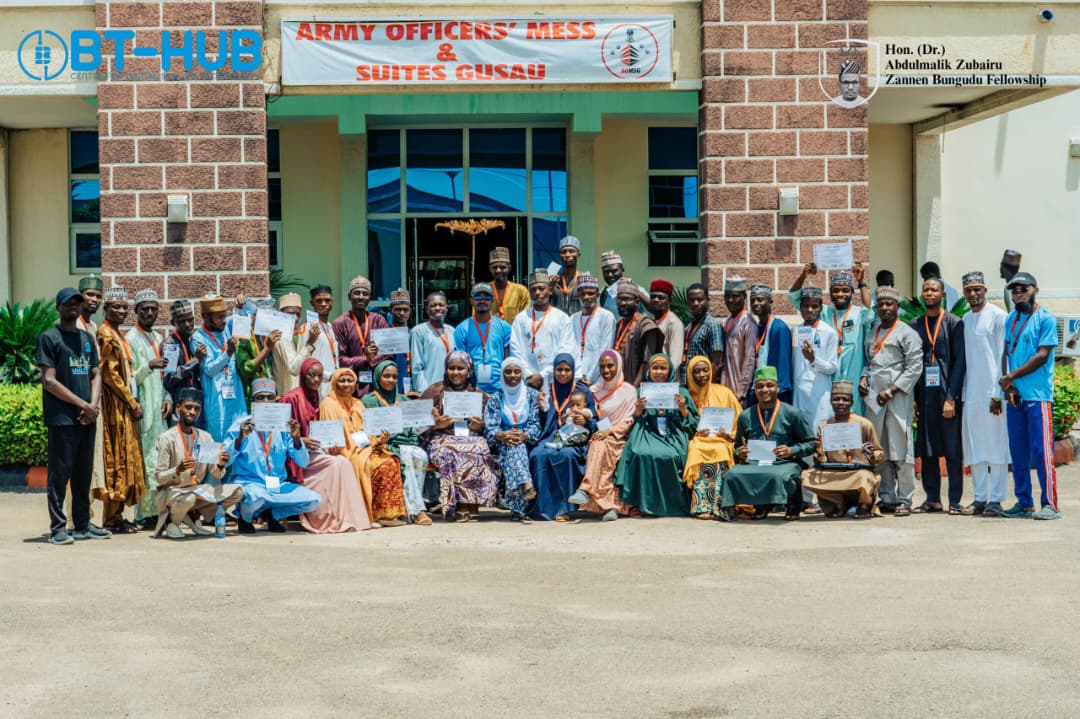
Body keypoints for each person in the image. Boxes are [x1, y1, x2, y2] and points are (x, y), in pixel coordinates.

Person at [37, 287, 110, 545]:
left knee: (83, 475)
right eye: (69, 303)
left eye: (77, 303)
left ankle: (81, 525)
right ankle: (58, 527)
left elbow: (96, 374)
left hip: (86, 418)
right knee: (60, 476)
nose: (74, 307)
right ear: (59, 307)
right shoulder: (49, 338)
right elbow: (49, 381)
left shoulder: (87, 339)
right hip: (62, 419)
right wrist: (84, 405)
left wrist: (93, 406)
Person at [281, 359, 372, 533]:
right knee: (336, 464)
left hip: (316, 450)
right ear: (303, 375)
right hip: (296, 452)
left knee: (343, 462)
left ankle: (347, 518)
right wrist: (300, 439)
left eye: (319, 376)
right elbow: (280, 431)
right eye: (311, 375)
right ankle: (327, 518)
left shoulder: (316, 397)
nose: (315, 380)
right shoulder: (291, 398)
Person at [225, 378, 322, 533]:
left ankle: (273, 514)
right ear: (253, 401)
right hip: (250, 483)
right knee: (256, 498)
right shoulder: (240, 425)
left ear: (276, 400)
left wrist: (296, 438)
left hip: (276, 484)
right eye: (260, 397)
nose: (265, 401)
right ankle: (245, 519)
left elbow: (303, 462)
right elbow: (225, 461)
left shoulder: (284, 427)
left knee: (314, 500)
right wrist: (240, 439)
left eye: (269, 397)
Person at [999, 272, 1060, 520]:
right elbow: (1006, 352)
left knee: (1042, 450)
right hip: (1016, 396)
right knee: (1018, 451)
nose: (1018, 294)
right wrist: (1009, 386)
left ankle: (1051, 504)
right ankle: (1024, 502)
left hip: (1038, 396)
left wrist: (1011, 376)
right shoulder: (1011, 319)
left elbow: (1042, 355)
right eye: (1014, 290)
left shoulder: (1045, 318)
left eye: (1023, 289)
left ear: (1035, 289)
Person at [721, 367, 816, 521]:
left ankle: (793, 503)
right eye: (760, 386)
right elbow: (737, 446)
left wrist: (791, 450)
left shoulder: (792, 413)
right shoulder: (745, 416)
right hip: (756, 462)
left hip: (785, 462)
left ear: (777, 388)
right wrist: (741, 452)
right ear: (755, 389)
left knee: (779, 475)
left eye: (769, 385)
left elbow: (811, 443)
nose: (765, 390)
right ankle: (741, 507)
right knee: (733, 474)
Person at [859, 287, 922, 517]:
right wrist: (864, 378)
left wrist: (893, 389)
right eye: (881, 305)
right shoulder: (873, 331)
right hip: (875, 399)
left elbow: (915, 367)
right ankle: (888, 497)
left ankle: (905, 498)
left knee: (901, 447)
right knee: (880, 448)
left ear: (897, 307)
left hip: (897, 397)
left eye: (889, 304)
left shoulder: (906, 333)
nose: (885, 308)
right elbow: (869, 361)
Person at [420, 351, 500, 521]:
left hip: (471, 437)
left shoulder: (478, 394)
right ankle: (459, 505)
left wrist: (480, 426)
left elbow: (491, 424)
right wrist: (436, 424)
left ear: (469, 371)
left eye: (460, 368)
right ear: (446, 370)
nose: (456, 372)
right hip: (442, 439)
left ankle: (474, 503)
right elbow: (417, 425)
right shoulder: (435, 391)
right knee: (451, 451)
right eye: (451, 368)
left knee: (480, 448)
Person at [910, 276, 967, 515]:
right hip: (925, 396)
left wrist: (951, 397)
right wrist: (914, 398)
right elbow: (912, 362)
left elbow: (959, 363)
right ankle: (932, 498)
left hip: (947, 397)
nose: (929, 294)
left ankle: (955, 500)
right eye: (925, 290)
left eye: (934, 290)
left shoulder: (954, 323)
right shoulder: (915, 324)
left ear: (942, 295)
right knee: (928, 448)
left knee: (952, 450)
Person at [153, 388, 243, 539]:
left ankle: (194, 516)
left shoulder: (205, 437)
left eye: (196, 409)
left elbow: (215, 473)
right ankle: (171, 522)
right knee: (189, 498)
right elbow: (159, 477)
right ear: (178, 408)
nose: (192, 412)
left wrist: (220, 464)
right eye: (188, 407)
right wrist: (178, 469)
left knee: (238, 491)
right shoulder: (167, 438)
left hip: (197, 489)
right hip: (172, 492)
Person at [614, 354, 697, 517]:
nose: (659, 372)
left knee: (672, 455)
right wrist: (638, 411)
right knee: (639, 453)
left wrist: (683, 410)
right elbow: (630, 418)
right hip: (647, 431)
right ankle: (640, 504)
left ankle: (672, 504)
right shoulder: (640, 392)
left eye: (663, 368)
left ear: (670, 371)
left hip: (673, 433)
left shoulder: (681, 393)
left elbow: (695, 422)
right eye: (655, 368)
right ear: (649, 370)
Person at [318, 367, 403, 527]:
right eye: (341, 380)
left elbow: (368, 432)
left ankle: (385, 514)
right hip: (345, 450)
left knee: (390, 460)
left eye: (350, 381)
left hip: (366, 447)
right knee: (378, 466)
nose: (346, 384)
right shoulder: (328, 404)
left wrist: (379, 439)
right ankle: (371, 514)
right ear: (334, 383)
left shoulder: (358, 403)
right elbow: (332, 436)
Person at [94, 287, 146, 534]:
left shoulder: (118, 334)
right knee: (117, 456)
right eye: (116, 307)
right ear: (106, 309)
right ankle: (111, 518)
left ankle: (118, 516)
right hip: (116, 405)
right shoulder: (105, 334)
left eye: (125, 307)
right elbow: (110, 375)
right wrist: (131, 401)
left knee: (126, 456)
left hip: (124, 404)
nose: (122, 311)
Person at [788, 263, 874, 413]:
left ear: (852, 293)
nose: (840, 294)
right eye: (836, 291)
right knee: (829, 415)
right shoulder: (824, 312)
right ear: (830, 294)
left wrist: (862, 282)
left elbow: (870, 312)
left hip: (852, 374)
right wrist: (804, 275)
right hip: (827, 378)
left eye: (845, 290)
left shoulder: (858, 313)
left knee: (853, 414)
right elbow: (794, 297)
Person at [960, 271, 1010, 517]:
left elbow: (1003, 355)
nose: (973, 294)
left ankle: (997, 499)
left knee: (996, 447)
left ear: (985, 289)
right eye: (969, 290)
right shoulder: (966, 319)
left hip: (994, 395)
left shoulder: (999, 316)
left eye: (977, 289)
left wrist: (998, 394)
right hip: (972, 394)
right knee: (976, 447)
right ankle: (980, 498)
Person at [568, 350, 638, 521]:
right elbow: (590, 414)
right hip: (598, 435)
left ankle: (586, 489)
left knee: (603, 447)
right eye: (602, 367)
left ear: (618, 365)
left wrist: (611, 431)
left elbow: (629, 420)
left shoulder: (629, 391)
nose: (606, 370)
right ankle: (609, 508)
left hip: (621, 438)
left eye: (610, 366)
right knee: (600, 445)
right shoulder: (593, 391)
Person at [361, 360, 433, 525]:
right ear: (378, 377)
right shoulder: (368, 401)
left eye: (394, 377)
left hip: (405, 443)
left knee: (420, 455)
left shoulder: (404, 401)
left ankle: (408, 507)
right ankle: (417, 510)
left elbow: (413, 431)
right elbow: (363, 428)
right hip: (380, 446)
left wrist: (423, 424)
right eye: (386, 376)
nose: (391, 380)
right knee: (406, 457)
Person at [528, 354, 597, 521]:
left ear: (573, 371)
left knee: (566, 455)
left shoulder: (583, 391)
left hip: (575, 436)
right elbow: (540, 420)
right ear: (554, 370)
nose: (563, 374)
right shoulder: (548, 390)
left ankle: (564, 509)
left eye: (567, 370)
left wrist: (585, 421)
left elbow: (595, 419)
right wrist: (542, 407)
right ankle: (542, 508)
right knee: (538, 454)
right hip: (551, 435)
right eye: (559, 369)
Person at [801, 381, 883, 519]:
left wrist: (871, 454)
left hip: (857, 472)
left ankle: (864, 505)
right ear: (831, 402)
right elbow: (821, 459)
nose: (840, 403)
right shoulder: (825, 426)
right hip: (834, 472)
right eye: (836, 399)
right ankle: (839, 503)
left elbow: (879, 452)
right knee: (806, 477)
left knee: (865, 478)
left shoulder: (864, 424)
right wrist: (820, 453)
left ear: (851, 402)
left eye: (845, 399)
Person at [125, 288, 171, 528]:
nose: (149, 313)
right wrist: (148, 366)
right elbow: (128, 377)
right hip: (142, 409)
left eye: (153, 309)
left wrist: (168, 398)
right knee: (144, 462)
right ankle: (143, 514)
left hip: (158, 409)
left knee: (159, 460)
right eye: (145, 309)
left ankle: (157, 511)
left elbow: (164, 376)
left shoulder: (158, 338)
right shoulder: (131, 339)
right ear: (136, 312)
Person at [683, 355, 743, 520]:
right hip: (698, 440)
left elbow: (740, 421)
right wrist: (695, 432)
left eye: (705, 370)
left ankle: (719, 505)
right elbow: (683, 423)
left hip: (722, 440)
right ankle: (701, 505)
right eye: (697, 372)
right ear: (690, 374)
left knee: (720, 450)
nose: (702, 375)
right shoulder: (687, 396)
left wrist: (729, 435)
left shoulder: (723, 392)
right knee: (696, 448)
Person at [483, 358, 542, 521]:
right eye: (508, 372)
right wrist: (501, 435)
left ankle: (518, 506)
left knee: (518, 447)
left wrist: (525, 435)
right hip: (502, 443)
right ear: (502, 374)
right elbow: (490, 426)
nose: (512, 375)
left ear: (522, 374)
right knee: (515, 448)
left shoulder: (532, 396)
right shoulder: (496, 398)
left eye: (517, 371)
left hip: (528, 441)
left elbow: (535, 424)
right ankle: (525, 487)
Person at [191, 294, 246, 442]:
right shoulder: (198, 338)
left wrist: (240, 306)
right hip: (216, 401)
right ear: (206, 317)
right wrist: (228, 353)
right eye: (219, 317)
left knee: (240, 443)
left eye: (224, 316)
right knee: (216, 448)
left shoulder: (226, 327)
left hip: (235, 399)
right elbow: (209, 369)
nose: (223, 320)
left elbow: (245, 319)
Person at [511, 269, 574, 389]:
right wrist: (529, 375)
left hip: (553, 380)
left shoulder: (562, 318)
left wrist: (542, 375)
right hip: (527, 382)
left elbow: (565, 349)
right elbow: (515, 350)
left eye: (541, 288)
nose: (538, 293)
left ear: (550, 290)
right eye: (533, 289)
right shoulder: (521, 318)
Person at [791, 285, 840, 437]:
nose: (810, 310)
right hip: (799, 392)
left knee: (819, 434)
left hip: (819, 392)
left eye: (814, 306)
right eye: (806, 306)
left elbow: (832, 367)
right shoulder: (796, 330)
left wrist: (814, 360)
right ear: (800, 307)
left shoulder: (829, 332)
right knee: (801, 433)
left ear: (820, 308)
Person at [332, 274, 390, 397]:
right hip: (349, 384)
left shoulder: (378, 320)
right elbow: (341, 359)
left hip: (377, 383)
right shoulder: (339, 323)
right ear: (349, 296)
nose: (361, 297)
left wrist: (371, 359)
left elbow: (388, 352)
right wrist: (365, 359)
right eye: (357, 293)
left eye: (365, 294)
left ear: (370, 298)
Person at [454, 283, 512, 394]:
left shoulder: (504, 327)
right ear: (471, 301)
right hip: (472, 388)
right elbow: (460, 362)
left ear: (492, 300)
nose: (482, 301)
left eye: (486, 297)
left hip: (500, 387)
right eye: (477, 297)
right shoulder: (462, 329)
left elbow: (508, 359)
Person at [613, 277, 663, 387]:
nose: (623, 303)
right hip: (619, 387)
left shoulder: (646, 325)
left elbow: (647, 362)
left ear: (636, 301)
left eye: (627, 299)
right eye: (620, 299)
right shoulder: (618, 324)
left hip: (637, 389)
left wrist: (634, 389)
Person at [748, 283, 792, 404]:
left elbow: (782, 368)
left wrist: (779, 394)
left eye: (760, 299)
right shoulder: (757, 326)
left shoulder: (779, 328)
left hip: (775, 395)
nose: (756, 303)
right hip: (760, 391)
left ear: (770, 301)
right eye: (753, 300)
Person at [161, 299, 203, 422]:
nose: (187, 324)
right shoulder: (171, 344)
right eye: (182, 321)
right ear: (173, 322)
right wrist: (195, 360)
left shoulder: (194, 340)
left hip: (196, 402)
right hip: (179, 406)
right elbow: (169, 379)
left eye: (190, 320)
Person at [570, 272, 615, 385]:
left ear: (597, 294)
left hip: (597, 379)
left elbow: (605, 349)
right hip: (576, 378)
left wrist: (590, 377)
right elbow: (570, 349)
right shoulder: (573, 319)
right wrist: (577, 376)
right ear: (578, 295)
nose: (587, 297)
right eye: (583, 294)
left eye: (590, 293)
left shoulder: (606, 317)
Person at [719, 277, 759, 404]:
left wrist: (741, 393)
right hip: (725, 389)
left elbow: (749, 359)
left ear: (744, 297)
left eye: (735, 296)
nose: (731, 300)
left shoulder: (748, 323)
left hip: (739, 394)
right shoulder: (728, 320)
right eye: (728, 296)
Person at [271, 292, 317, 398]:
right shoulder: (280, 336)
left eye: (298, 314)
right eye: (291, 314)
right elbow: (293, 369)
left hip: (299, 397)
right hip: (287, 398)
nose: (296, 318)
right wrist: (309, 343)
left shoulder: (294, 335)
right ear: (281, 314)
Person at [236, 296, 279, 406]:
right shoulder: (243, 335)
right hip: (253, 398)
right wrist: (267, 349)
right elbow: (245, 369)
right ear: (255, 316)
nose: (269, 321)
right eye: (266, 316)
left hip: (272, 396)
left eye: (273, 317)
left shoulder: (270, 335)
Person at [410, 291, 456, 394]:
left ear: (446, 308)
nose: (437, 308)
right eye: (433, 305)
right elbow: (417, 367)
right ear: (427, 309)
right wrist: (424, 392)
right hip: (430, 390)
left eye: (441, 305)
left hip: (451, 390)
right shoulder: (419, 331)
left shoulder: (452, 331)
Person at [683, 283, 725, 385]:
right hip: (690, 383)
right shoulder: (689, 326)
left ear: (707, 300)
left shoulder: (712, 325)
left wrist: (707, 387)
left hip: (703, 385)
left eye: (700, 299)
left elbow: (716, 363)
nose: (696, 303)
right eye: (692, 300)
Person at [304, 284, 339, 399]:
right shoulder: (307, 328)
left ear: (332, 302)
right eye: (319, 301)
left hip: (334, 386)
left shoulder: (330, 326)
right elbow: (305, 362)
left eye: (327, 300)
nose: (323, 304)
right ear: (312, 303)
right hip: (318, 386)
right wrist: (328, 376)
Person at [649, 279, 685, 375]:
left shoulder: (674, 323)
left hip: (667, 381)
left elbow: (675, 360)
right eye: (653, 297)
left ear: (669, 300)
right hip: (654, 379)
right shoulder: (651, 321)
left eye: (661, 297)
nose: (656, 300)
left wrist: (662, 377)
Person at [488, 246, 530, 323]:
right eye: (494, 267)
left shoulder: (521, 291)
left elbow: (526, 320)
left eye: (502, 267)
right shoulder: (483, 291)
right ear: (490, 269)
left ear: (509, 268)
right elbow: (477, 320)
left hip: (514, 333)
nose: (498, 270)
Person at [599, 251, 646, 315]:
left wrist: (636, 291)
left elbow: (653, 310)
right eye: (606, 272)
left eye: (614, 271)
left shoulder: (638, 290)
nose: (610, 275)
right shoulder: (604, 294)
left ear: (622, 270)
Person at [386, 288, 413, 394]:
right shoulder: (385, 334)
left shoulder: (414, 334)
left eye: (405, 310)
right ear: (390, 309)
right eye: (398, 309)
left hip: (411, 384)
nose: (402, 313)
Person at [551, 235, 583, 315]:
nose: (567, 255)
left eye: (571, 251)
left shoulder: (584, 279)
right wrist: (549, 287)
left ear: (578, 255)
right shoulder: (554, 281)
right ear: (560, 256)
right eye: (564, 252)